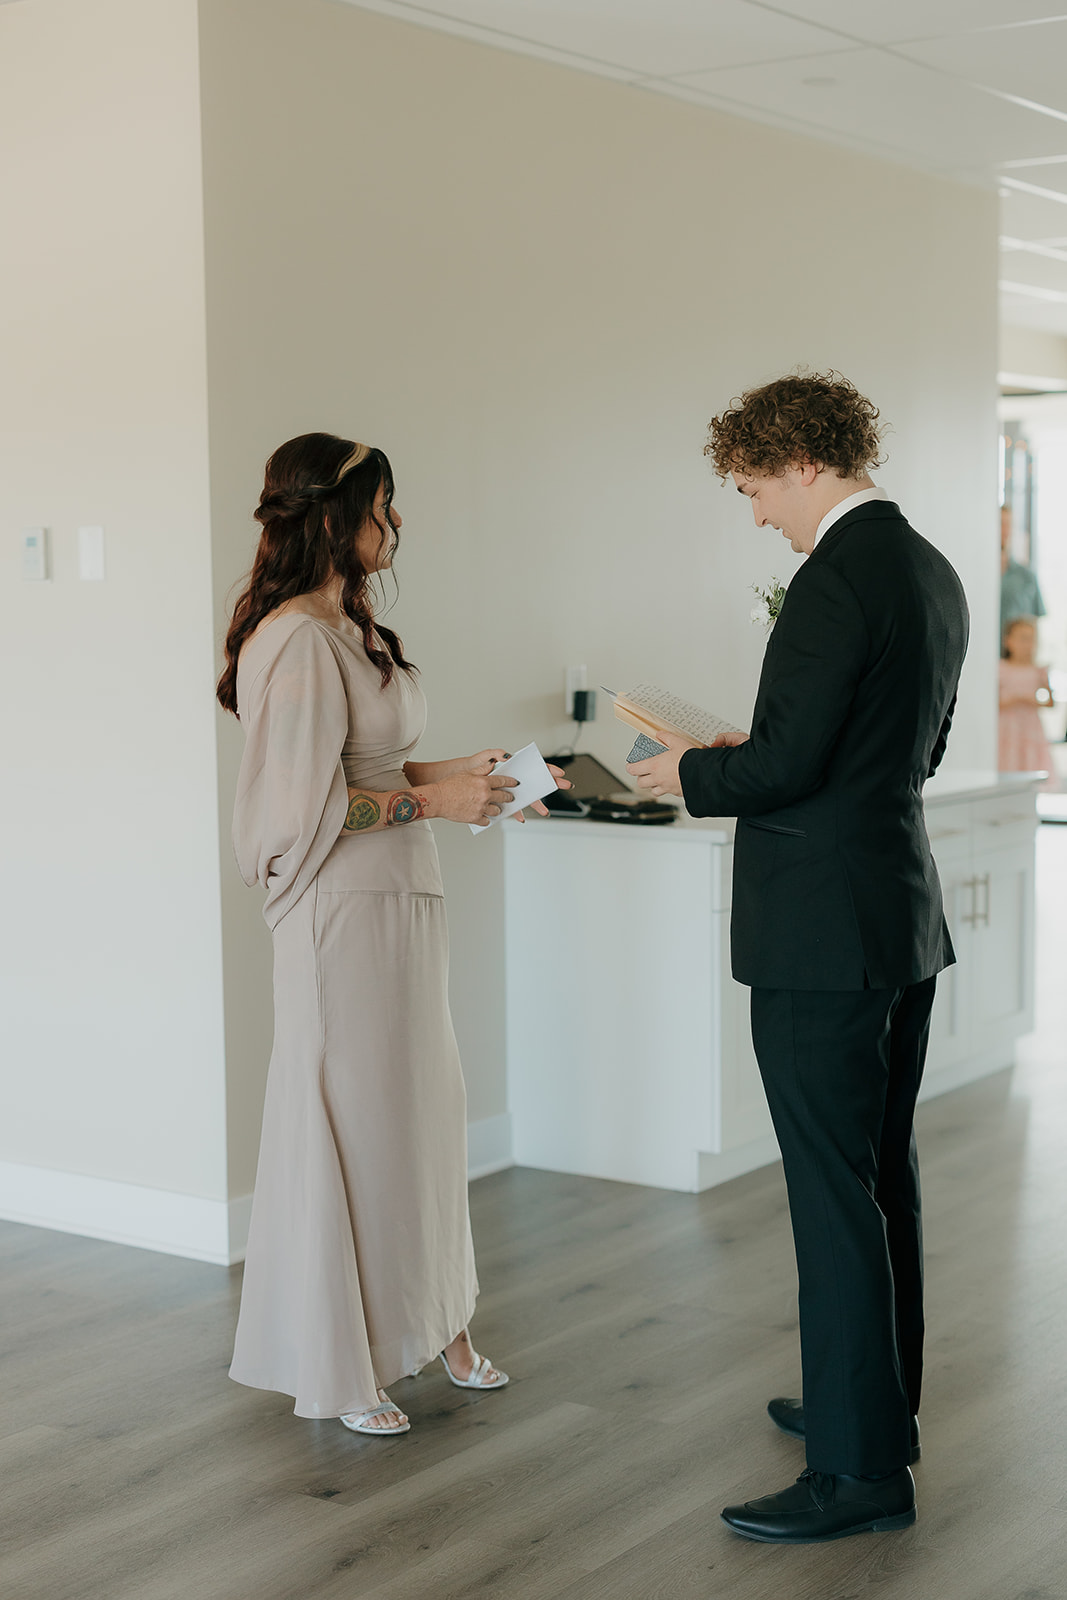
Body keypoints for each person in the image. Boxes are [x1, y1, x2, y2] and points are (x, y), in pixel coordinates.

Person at [629, 372, 969, 1545]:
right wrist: (758, 746)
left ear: (804, 462)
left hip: (821, 932)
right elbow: (909, 746)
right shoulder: (926, 567)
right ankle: (873, 1402)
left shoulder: (834, 579)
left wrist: (691, 770)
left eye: (756, 486)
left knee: (830, 1193)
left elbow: (780, 773)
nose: (756, 511)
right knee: (881, 1175)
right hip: (895, 913)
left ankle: (858, 1472)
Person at [217, 432, 567, 1436]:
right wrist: (432, 804)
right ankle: (346, 1356)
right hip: (339, 921)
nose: (397, 521)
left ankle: (438, 1320)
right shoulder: (291, 640)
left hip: (403, 905)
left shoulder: (352, 627)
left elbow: (368, 773)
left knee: (422, 1118)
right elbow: (301, 813)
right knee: (359, 1129)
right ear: (332, 515)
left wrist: (471, 779)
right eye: (384, 504)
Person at [999, 615, 1056, 787]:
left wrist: (1036, 697)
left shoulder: (1038, 669)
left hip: (1030, 726)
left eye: (1031, 639)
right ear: (1008, 641)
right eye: (1023, 639)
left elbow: (1050, 703)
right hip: (1008, 726)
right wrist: (1016, 699)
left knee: (1029, 760)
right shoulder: (1001, 668)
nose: (1027, 645)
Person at [1000, 504, 1045, 639]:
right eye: (1000, 524)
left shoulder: (1027, 577)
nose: (1004, 530)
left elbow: (1034, 624)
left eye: (1008, 524)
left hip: (1014, 659)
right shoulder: (975, 577)